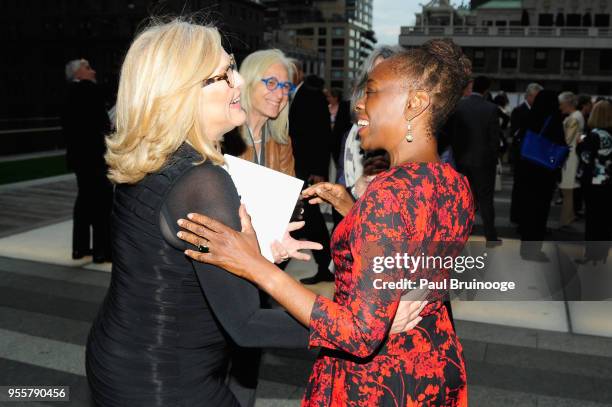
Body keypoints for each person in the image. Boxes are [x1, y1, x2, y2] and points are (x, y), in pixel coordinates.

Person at [85, 19, 417, 407]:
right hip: (167, 380)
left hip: (118, 355)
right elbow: (247, 324)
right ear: (182, 93)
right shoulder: (204, 182)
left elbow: (170, 267)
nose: (239, 82)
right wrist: (364, 328)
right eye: (224, 74)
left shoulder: (149, 157)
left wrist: (255, 255)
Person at [178, 38, 475, 406]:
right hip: (432, 363)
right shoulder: (454, 184)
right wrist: (355, 210)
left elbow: (359, 332)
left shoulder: (389, 194)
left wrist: (254, 265)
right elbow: (408, 249)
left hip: (378, 382)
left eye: (371, 92)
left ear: (415, 104)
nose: (359, 105)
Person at [61, 58, 113, 263]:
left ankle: (80, 248)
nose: (92, 71)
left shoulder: (68, 94)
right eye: (88, 68)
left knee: (84, 200)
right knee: (102, 202)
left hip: (79, 158)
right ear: (78, 74)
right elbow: (103, 124)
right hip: (95, 156)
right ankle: (102, 251)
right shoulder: (89, 91)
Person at [289, 64, 334, 284]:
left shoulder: (311, 95)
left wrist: (319, 171)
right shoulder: (291, 96)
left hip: (306, 170)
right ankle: (326, 267)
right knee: (308, 219)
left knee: (309, 219)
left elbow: (323, 135)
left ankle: (327, 267)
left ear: (298, 73)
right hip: (294, 169)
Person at [222, 49, 296, 176]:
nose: (280, 95)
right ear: (249, 83)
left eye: (285, 86)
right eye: (271, 83)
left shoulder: (282, 142)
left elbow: (288, 194)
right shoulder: (222, 136)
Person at [448, 75, 501, 246]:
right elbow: (494, 139)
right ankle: (490, 236)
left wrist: (458, 155)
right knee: (486, 199)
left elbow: (454, 135)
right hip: (484, 162)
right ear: (486, 90)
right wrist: (493, 159)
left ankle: (462, 231)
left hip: (463, 160)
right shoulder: (491, 108)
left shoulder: (460, 106)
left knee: (464, 198)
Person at [516, 90, 566, 261]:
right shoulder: (554, 119)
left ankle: (525, 248)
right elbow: (560, 145)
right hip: (544, 172)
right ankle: (534, 250)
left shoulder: (530, 116)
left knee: (527, 208)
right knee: (540, 211)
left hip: (526, 168)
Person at [575, 100, 612, 263]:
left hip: (594, 182)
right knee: (605, 219)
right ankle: (602, 254)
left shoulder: (593, 135)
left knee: (592, 220)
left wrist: (579, 145)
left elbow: (585, 158)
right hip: (609, 182)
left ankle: (591, 255)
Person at [509, 83, 543, 223]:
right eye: (536, 97)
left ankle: (526, 215)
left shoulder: (540, 111)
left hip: (534, 156)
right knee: (519, 187)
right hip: (521, 154)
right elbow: (515, 132)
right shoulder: (518, 110)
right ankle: (517, 215)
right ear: (528, 96)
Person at [558, 91, 584, 228]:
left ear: (568, 104)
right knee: (569, 189)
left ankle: (566, 219)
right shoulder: (576, 116)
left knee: (567, 189)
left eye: (561, 104)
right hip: (572, 156)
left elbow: (567, 139)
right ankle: (569, 216)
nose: (560, 107)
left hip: (570, 157)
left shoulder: (574, 118)